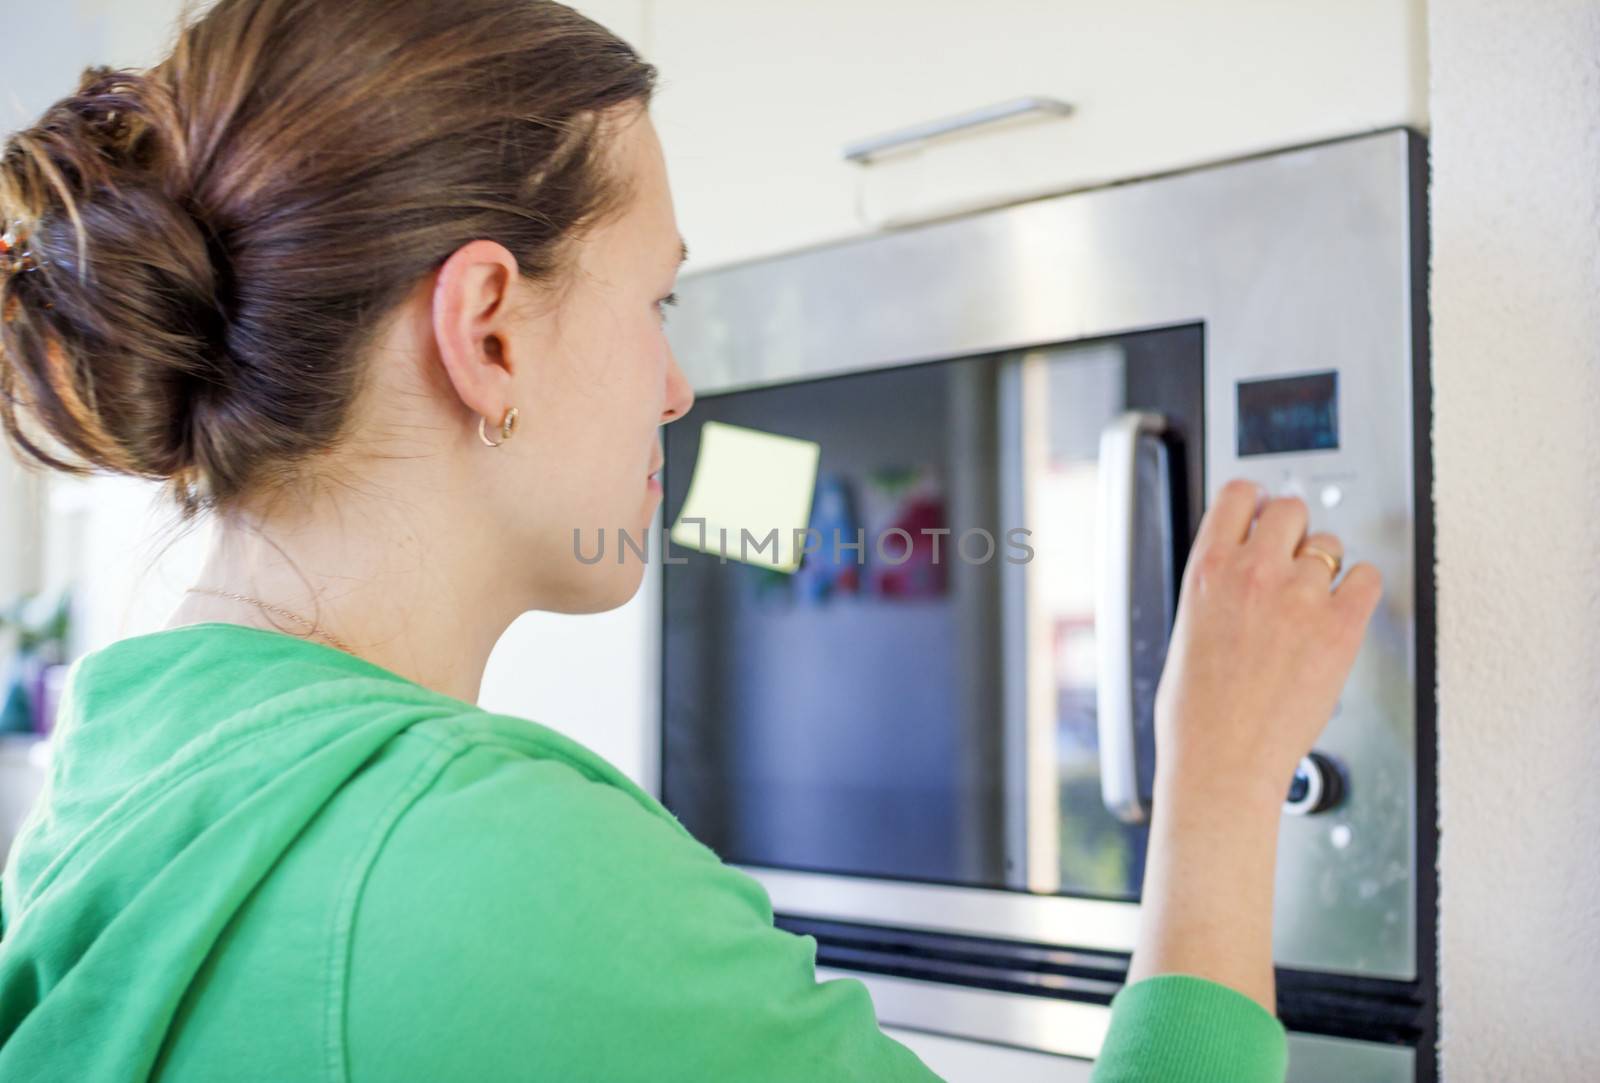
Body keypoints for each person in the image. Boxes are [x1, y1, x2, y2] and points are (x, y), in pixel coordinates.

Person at [0, 1, 1382, 1079]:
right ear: (487, 330)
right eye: (658, 300)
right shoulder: (495, 877)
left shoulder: (122, 781)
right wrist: (1218, 781)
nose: (677, 386)